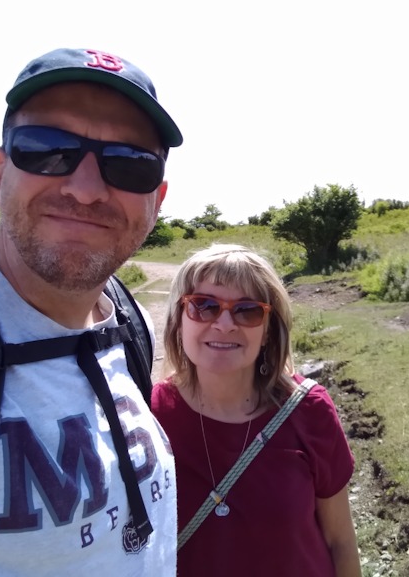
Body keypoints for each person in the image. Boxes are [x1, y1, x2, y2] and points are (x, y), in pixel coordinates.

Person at [0, 48, 182, 575]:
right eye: (47, 148)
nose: (86, 188)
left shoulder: (123, 321)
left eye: (129, 164)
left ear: (157, 199)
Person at [152, 243, 362, 576]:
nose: (224, 324)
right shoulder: (149, 417)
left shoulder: (309, 411)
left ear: (267, 331)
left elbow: (340, 541)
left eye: (247, 310)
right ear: (179, 321)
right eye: (204, 306)